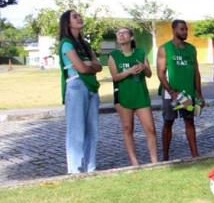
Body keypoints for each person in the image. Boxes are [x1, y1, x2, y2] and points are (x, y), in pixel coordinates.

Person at [58, 10, 102, 174]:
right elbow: (83, 68)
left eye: (79, 16)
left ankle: (90, 167)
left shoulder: (85, 44)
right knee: (76, 130)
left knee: (92, 130)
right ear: (67, 23)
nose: (79, 18)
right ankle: (75, 169)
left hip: (91, 87)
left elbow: (99, 66)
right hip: (76, 86)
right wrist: (89, 65)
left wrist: (89, 65)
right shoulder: (66, 43)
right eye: (74, 17)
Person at [108, 27, 158, 165]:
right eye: (118, 33)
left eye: (124, 33)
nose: (121, 35)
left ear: (131, 37)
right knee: (128, 128)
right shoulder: (114, 56)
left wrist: (144, 67)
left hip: (141, 96)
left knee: (150, 129)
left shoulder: (141, 53)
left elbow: (149, 74)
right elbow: (115, 77)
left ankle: (154, 161)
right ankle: (134, 162)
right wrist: (129, 71)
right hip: (124, 97)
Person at [156, 19, 204, 161]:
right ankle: (165, 156)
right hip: (171, 93)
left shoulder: (191, 49)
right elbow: (161, 73)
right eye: (182, 29)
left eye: (186, 29)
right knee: (168, 122)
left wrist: (199, 93)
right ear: (174, 30)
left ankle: (195, 154)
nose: (185, 32)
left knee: (189, 121)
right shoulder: (165, 49)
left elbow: (196, 72)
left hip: (187, 93)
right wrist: (171, 92)